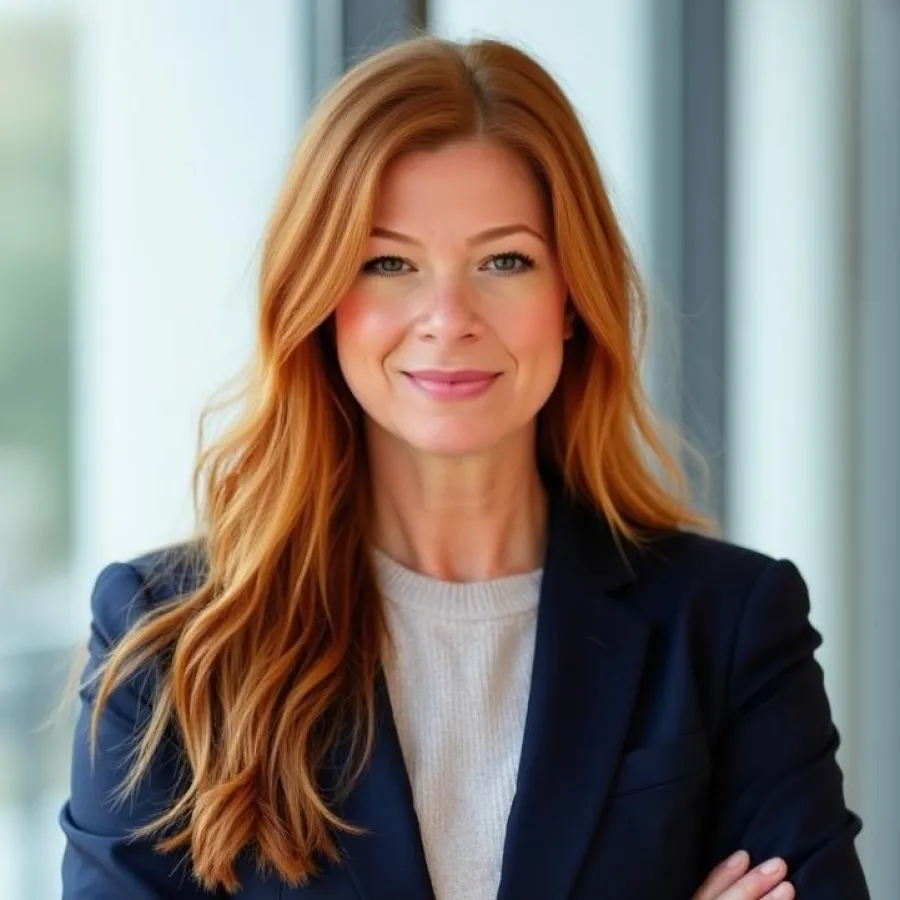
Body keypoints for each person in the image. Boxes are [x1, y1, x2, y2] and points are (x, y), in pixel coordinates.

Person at [59, 34, 870, 900]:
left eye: (505, 261)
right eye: (390, 263)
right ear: (322, 300)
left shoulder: (730, 626)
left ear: (571, 298)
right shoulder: (172, 644)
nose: (448, 317)